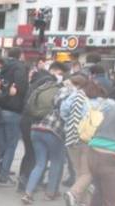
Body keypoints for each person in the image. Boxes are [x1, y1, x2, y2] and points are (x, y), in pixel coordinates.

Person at [18, 62, 68, 192]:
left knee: (29, 153)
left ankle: (23, 181)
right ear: (53, 71)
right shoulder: (48, 82)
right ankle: (28, 182)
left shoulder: (37, 79)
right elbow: (47, 105)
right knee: (35, 156)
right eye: (60, 73)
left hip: (26, 119)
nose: (60, 76)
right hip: (36, 120)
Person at [0, 48, 28, 186]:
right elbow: (22, 88)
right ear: (20, 55)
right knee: (11, 145)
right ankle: (4, 176)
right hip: (14, 111)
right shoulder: (20, 68)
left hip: (0, 110)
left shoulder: (2, 67)